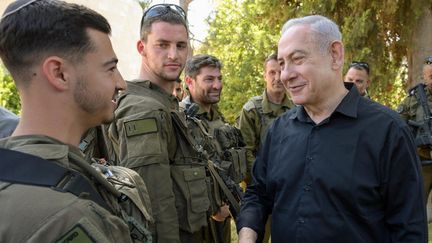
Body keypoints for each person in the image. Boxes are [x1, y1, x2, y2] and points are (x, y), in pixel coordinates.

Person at [237, 15, 427, 243]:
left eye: (297, 59)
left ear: (335, 55)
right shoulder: (279, 130)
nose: (286, 74)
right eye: (281, 64)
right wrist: (247, 234)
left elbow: (408, 229)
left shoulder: (389, 131)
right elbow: (258, 193)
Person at [0, 0, 135, 242]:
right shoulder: (67, 217)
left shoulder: (13, 168)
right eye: (110, 68)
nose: (121, 83)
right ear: (59, 74)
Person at [103, 4, 210, 242]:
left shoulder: (165, 102)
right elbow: (154, 203)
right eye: (162, 45)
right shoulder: (143, 109)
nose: (173, 54)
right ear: (142, 48)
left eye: (180, 45)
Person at [181, 54, 245, 243]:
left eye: (219, 78)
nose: (217, 85)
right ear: (189, 82)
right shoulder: (180, 120)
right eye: (209, 79)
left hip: (221, 216)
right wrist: (211, 209)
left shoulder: (218, 118)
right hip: (195, 221)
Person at [397, 55, 432, 202]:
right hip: (423, 163)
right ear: (424, 77)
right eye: (430, 76)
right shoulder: (412, 100)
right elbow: (397, 126)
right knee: (416, 205)